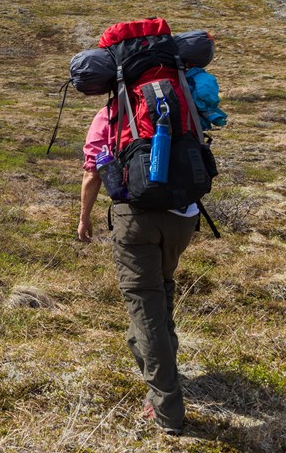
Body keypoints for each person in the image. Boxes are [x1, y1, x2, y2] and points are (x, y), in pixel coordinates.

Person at [77, 101, 199, 436]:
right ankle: (162, 374)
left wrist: (84, 218)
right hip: (185, 215)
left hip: (136, 218)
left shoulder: (110, 113)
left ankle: (167, 409)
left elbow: (93, 172)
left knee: (145, 305)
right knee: (160, 290)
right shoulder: (179, 98)